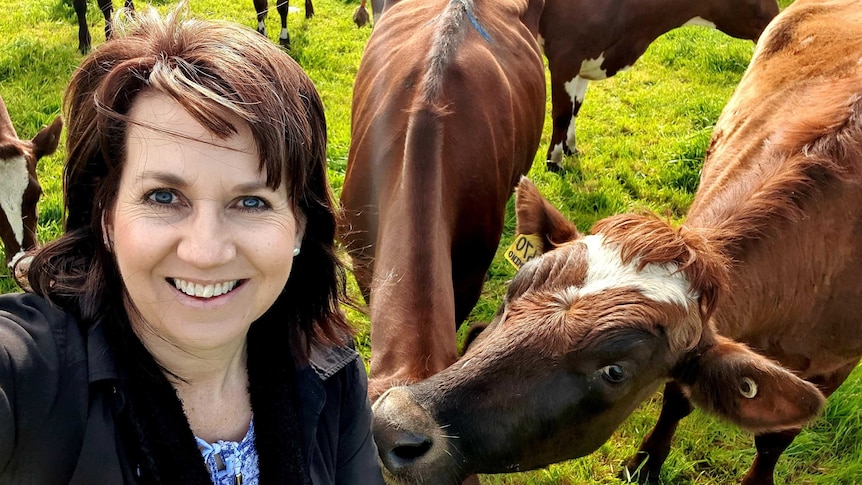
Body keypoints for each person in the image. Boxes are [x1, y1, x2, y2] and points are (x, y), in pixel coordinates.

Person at [0, 4, 385, 484]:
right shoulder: (34, 374)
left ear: (300, 227)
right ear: (106, 219)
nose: (206, 252)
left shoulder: (333, 372)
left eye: (251, 203)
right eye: (163, 197)